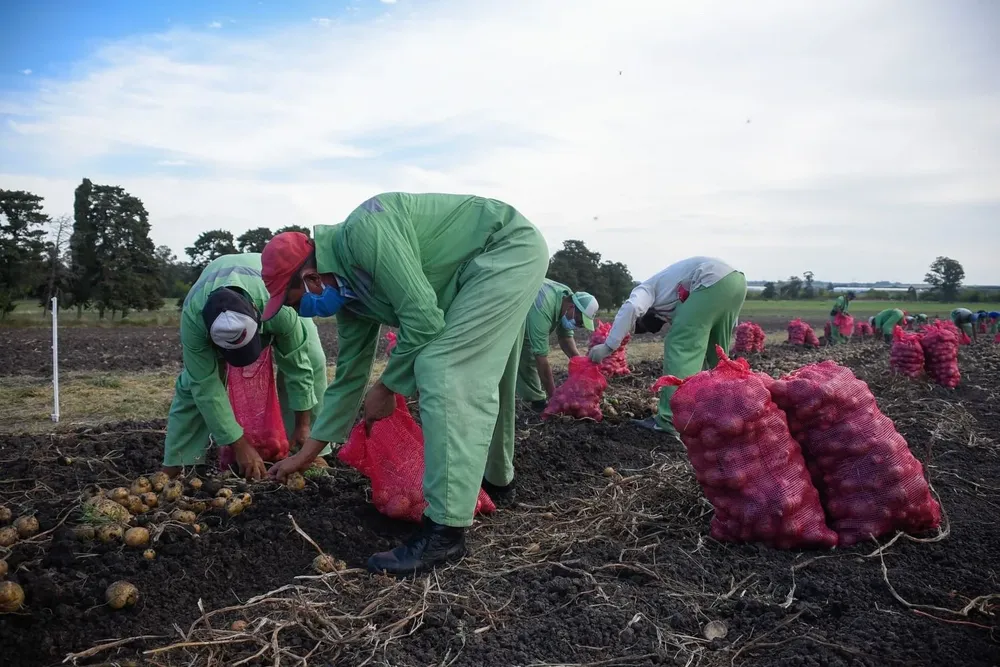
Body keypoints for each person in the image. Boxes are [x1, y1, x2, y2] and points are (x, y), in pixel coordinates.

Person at [261, 193, 548, 576]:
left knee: (445, 368)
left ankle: (444, 533)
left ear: (311, 279)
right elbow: (349, 377)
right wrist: (306, 455)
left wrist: (388, 387)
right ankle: (497, 480)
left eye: (293, 302)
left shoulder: (365, 230)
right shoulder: (350, 297)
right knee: (486, 372)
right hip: (472, 276)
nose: (297, 312)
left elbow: (424, 321)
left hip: (505, 249)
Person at [163, 253, 328, 480]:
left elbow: (298, 366)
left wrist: (303, 424)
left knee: (313, 359)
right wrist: (239, 444)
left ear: (255, 313)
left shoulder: (280, 306)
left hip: (270, 292)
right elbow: (205, 386)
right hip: (210, 308)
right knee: (191, 384)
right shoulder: (194, 320)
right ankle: (178, 461)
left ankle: (310, 448)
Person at [589, 257, 746, 439]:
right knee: (717, 354)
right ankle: (724, 412)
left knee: (680, 346)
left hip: (709, 279)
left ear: (647, 312)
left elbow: (631, 307)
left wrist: (609, 346)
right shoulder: (669, 296)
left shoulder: (646, 289)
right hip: (737, 281)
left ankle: (669, 421)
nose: (656, 327)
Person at [516, 280, 598, 411]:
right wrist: (554, 397)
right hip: (515, 304)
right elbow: (541, 358)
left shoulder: (567, 297)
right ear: (572, 307)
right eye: (579, 321)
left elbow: (565, 337)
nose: (578, 325)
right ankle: (537, 401)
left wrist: (581, 366)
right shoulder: (543, 310)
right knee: (528, 351)